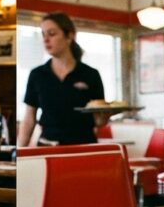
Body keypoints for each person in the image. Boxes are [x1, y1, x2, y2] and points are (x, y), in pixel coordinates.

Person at [18, 12, 105, 146]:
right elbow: (29, 118)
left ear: (69, 37)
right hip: (47, 147)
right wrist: (19, 153)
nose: (46, 39)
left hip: (83, 146)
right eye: (43, 34)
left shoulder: (90, 74)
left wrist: (106, 117)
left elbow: (99, 121)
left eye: (51, 34)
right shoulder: (37, 74)